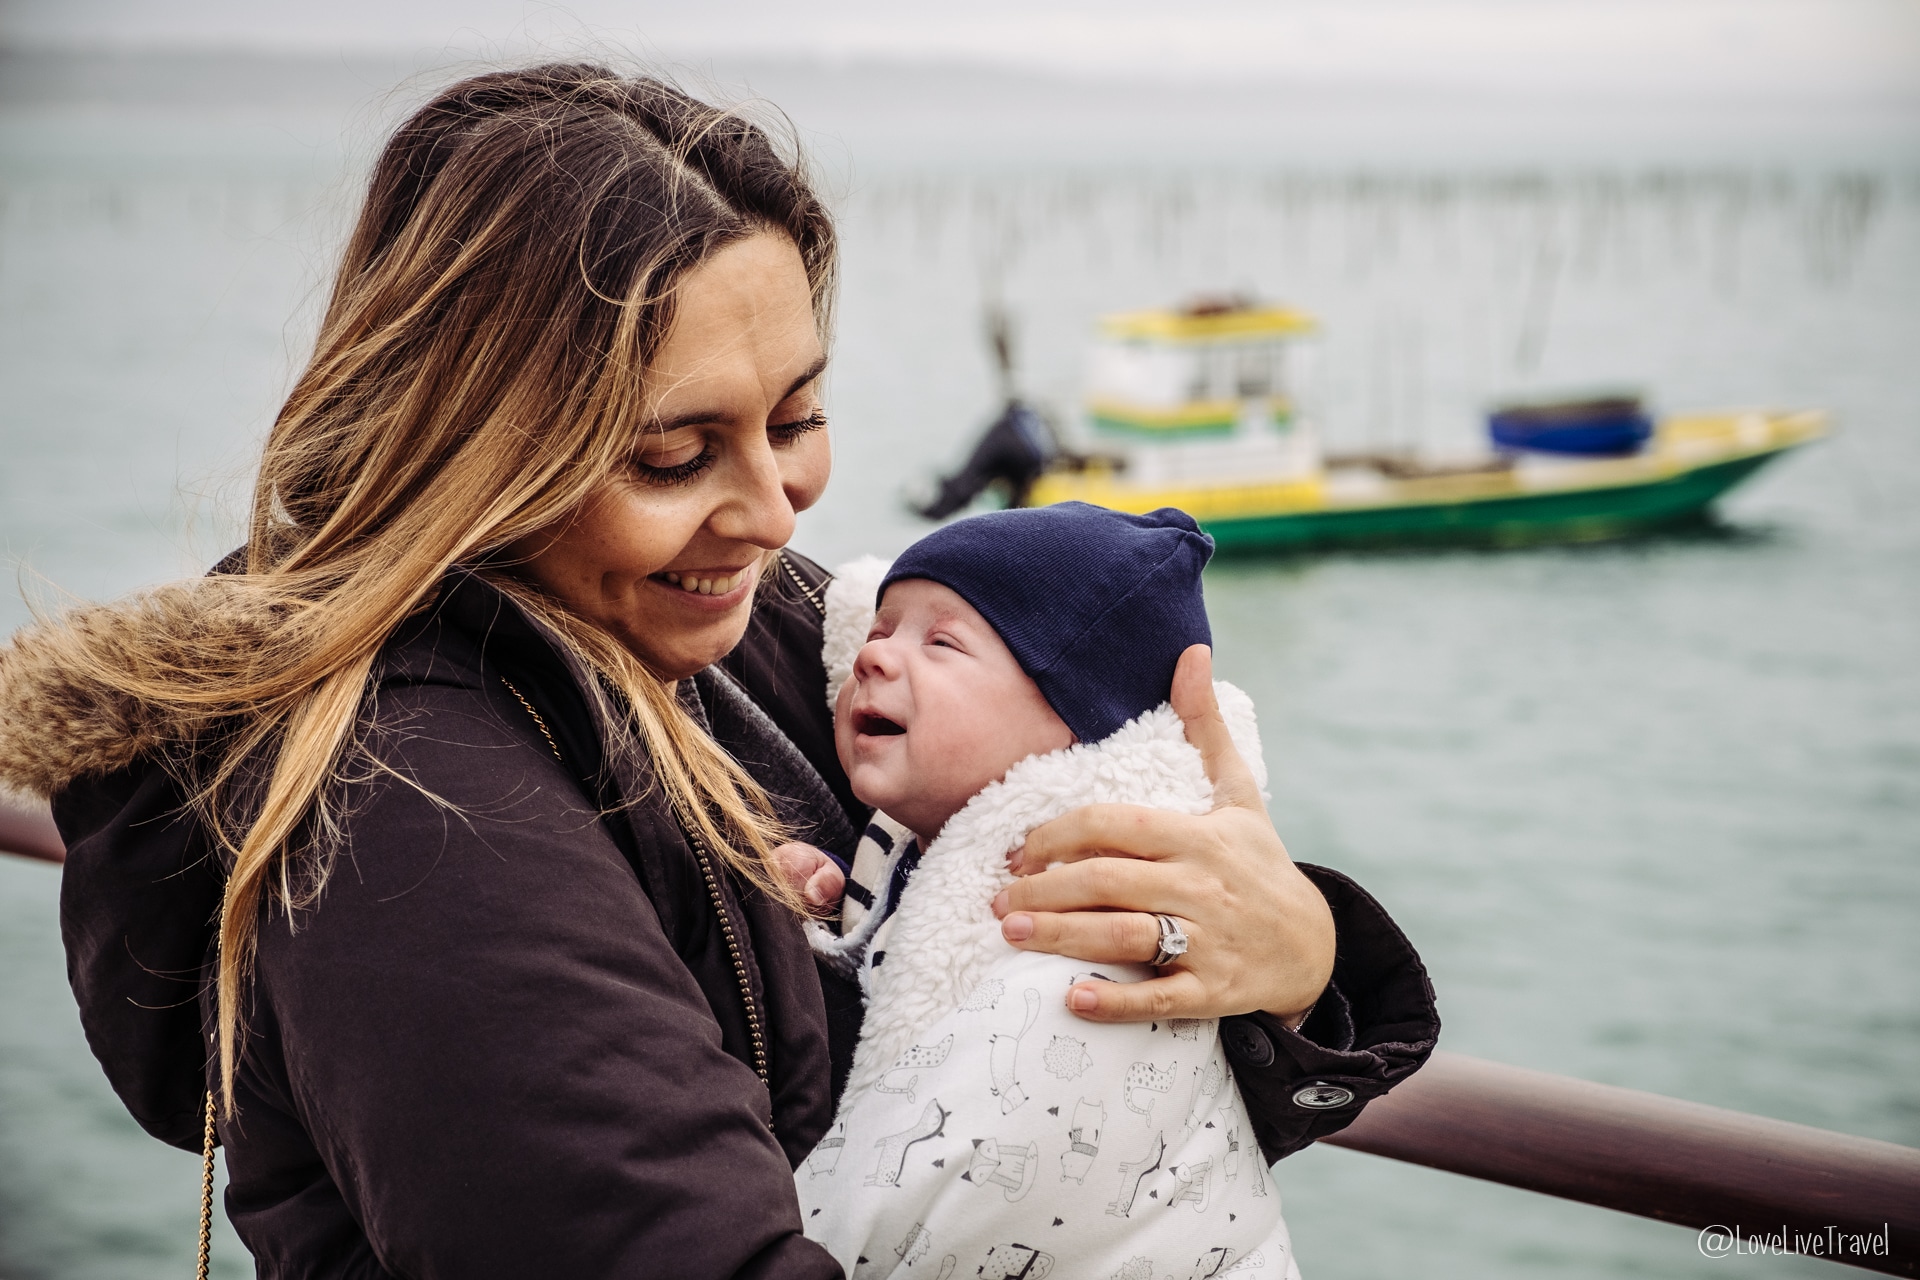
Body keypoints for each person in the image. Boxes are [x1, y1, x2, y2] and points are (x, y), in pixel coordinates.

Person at [0, 65, 1437, 1277]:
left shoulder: (745, 624)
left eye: (799, 416)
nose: (774, 510)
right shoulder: (406, 818)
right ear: (476, 451)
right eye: (675, 455)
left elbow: (1022, 1085)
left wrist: (1294, 957)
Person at [794, 502, 1305, 1279]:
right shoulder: (901, 848)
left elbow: (880, 1210)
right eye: (878, 631)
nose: (875, 659)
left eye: (942, 643)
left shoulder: (1090, 934)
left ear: (1076, 723)